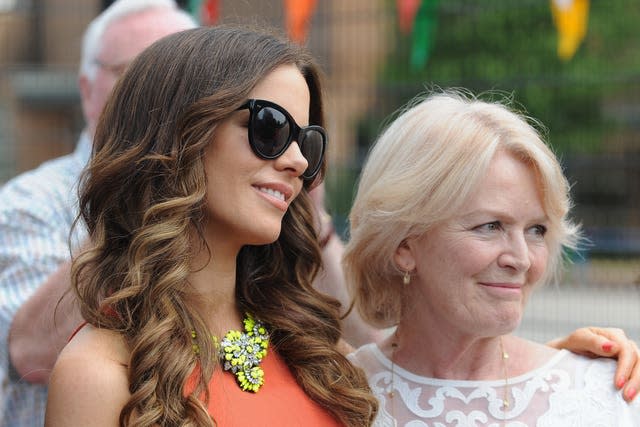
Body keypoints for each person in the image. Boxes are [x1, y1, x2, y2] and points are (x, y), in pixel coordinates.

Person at [44, 25, 378, 426]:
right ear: (178, 135)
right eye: (270, 128)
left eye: (307, 142)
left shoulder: (316, 351)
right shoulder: (99, 374)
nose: (299, 162)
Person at [344, 90, 640, 425]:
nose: (522, 259)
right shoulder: (334, 397)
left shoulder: (606, 396)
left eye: (537, 230)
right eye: (491, 226)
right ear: (404, 245)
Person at [0, 1, 197, 425]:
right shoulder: (32, 202)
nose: (163, 101)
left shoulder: (224, 198)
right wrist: (135, 188)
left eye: (181, 84)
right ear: (87, 89)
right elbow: (28, 355)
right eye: (136, 77)